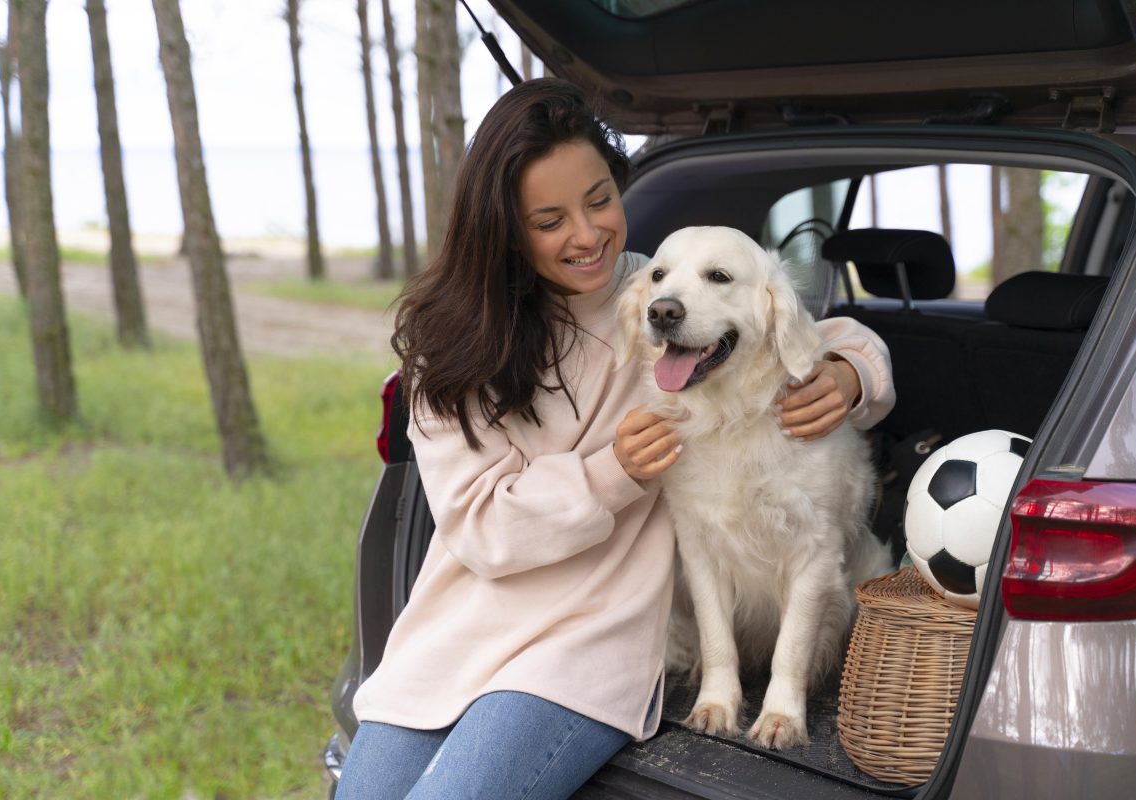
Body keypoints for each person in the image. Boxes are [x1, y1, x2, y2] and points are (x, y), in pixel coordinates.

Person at [335, 78, 894, 800]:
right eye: (550, 219)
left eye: (600, 199)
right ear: (504, 227)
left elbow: (807, 325)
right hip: (460, 629)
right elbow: (480, 530)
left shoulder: (655, 296)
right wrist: (613, 473)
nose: (589, 233)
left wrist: (852, 373)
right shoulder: (452, 353)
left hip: (587, 649)